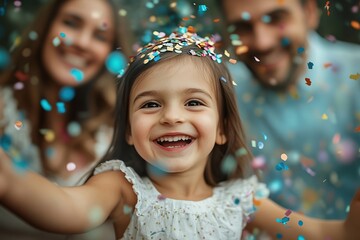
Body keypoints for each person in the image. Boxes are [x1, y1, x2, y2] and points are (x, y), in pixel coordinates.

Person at [1, 30, 360, 240]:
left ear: (221, 128)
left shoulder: (243, 200)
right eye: (150, 105)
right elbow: (66, 209)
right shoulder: (124, 188)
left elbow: (324, 233)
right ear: (127, 130)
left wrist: (350, 226)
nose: (172, 116)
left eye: (193, 102)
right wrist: (8, 181)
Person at [216, 0, 360, 220]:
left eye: (276, 18)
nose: (262, 42)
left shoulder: (355, 77)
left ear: (310, 12)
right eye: (242, 27)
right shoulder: (219, 92)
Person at [0, 0, 133, 239]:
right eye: (71, 23)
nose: (82, 42)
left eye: (100, 36)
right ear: (47, 27)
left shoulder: (119, 131)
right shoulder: (2, 109)